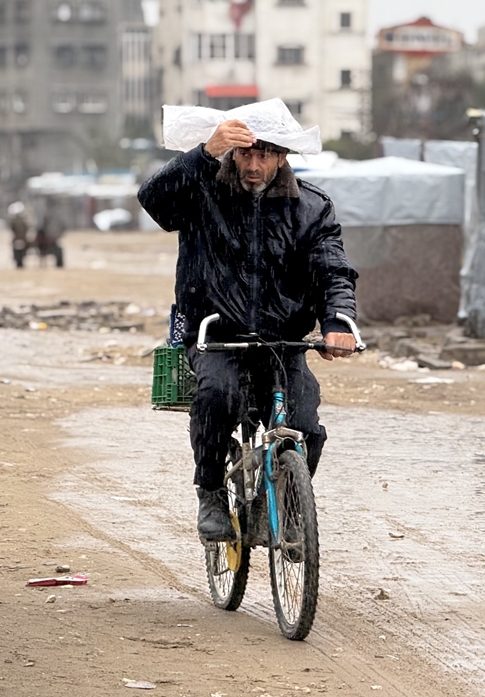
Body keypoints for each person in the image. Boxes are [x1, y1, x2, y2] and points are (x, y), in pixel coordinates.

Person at [137, 118, 359, 542]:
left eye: (265, 154)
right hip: (217, 336)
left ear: (282, 157)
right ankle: (212, 492)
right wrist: (202, 154)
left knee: (306, 426)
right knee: (216, 396)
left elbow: (333, 269)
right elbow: (154, 202)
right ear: (232, 154)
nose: (254, 164)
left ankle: (290, 504)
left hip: (283, 342)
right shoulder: (203, 193)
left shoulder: (311, 207)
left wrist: (337, 322)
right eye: (245, 153)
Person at [34, 204, 64, 268]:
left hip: (47, 240)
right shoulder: (43, 226)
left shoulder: (51, 224)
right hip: (43, 241)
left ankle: (43, 264)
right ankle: (42, 264)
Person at [8, 202, 30, 269]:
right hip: (22, 238)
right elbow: (26, 228)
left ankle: (18, 262)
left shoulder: (14, 221)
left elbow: (12, 229)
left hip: (17, 238)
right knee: (21, 252)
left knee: (17, 252)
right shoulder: (23, 221)